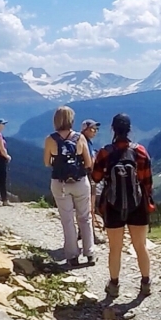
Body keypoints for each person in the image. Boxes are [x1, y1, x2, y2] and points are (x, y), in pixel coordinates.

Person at [91, 113, 154, 299]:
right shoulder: (140, 151)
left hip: (113, 206)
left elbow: (95, 177)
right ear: (130, 130)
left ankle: (114, 284)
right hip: (138, 205)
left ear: (112, 129)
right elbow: (147, 182)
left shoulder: (105, 152)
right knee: (140, 246)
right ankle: (145, 283)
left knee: (115, 248)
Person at [43, 106, 95, 266]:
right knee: (85, 218)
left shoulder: (50, 139)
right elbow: (89, 162)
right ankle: (90, 253)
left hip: (60, 183)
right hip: (80, 181)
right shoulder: (80, 138)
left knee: (67, 220)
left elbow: (46, 163)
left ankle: (72, 256)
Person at [81, 119, 105, 241]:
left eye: (96, 129)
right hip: (89, 177)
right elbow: (90, 162)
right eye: (92, 129)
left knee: (83, 207)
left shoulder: (81, 140)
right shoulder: (86, 142)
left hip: (80, 178)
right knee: (90, 207)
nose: (95, 131)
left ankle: (82, 232)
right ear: (85, 129)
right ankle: (92, 236)